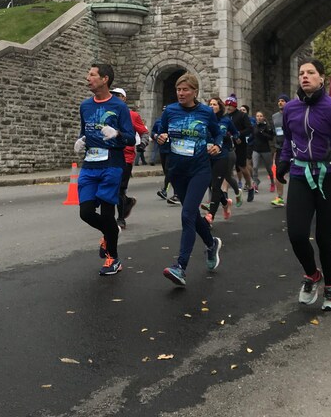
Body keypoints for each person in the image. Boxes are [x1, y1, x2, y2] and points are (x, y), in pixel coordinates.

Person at [278, 60, 331, 311]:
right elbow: (289, 140)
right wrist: (283, 161)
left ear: (322, 79)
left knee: (325, 239)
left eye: (311, 73)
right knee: (296, 234)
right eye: (301, 73)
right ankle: (312, 274)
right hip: (300, 174)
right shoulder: (291, 109)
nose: (305, 77)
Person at [156, 73, 223, 287]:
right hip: (177, 171)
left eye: (185, 90)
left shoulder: (205, 112)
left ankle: (181, 267)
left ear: (195, 91)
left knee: (186, 215)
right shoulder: (170, 111)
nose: (181, 93)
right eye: (178, 90)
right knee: (192, 214)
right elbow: (158, 131)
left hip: (200, 170)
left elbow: (218, 134)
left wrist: (217, 145)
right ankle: (211, 244)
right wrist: (160, 137)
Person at [73, 64, 134, 276]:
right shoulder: (85, 106)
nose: (87, 78)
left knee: (108, 212)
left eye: (92, 75)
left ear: (105, 79)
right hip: (90, 165)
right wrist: (81, 140)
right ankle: (110, 230)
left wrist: (117, 134)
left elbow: (131, 138)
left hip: (112, 165)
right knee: (86, 213)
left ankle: (113, 259)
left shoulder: (119, 107)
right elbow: (84, 131)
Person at [110, 87, 148, 229]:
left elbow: (144, 132)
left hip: (126, 156)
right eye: (112, 95)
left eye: (117, 95)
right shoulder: (108, 114)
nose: (114, 97)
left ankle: (120, 219)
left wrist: (142, 144)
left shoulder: (132, 115)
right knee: (111, 187)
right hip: (110, 155)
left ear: (124, 98)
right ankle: (128, 201)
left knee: (120, 188)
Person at [205, 96, 239, 222]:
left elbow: (236, 133)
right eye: (210, 104)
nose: (212, 106)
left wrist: (233, 137)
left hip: (222, 155)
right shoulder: (205, 120)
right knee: (209, 182)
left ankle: (210, 216)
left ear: (220, 107)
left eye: (214, 104)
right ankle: (225, 203)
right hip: (207, 155)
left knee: (215, 185)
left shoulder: (226, 121)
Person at [224, 96, 253, 203]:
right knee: (227, 169)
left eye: (230, 105)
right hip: (228, 145)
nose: (228, 107)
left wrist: (238, 134)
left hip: (240, 145)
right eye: (226, 105)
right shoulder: (225, 117)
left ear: (235, 106)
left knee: (242, 167)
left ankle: (250, 186)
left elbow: (249, 129)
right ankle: (225, 193)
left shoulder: (242, 115)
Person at [270, 95, 289, 204]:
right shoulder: (274, 116)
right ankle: (279, 197)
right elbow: (274, 130)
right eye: (279, 101)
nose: (280, 103)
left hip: (291, 147)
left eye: (283, 101)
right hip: (279, 147)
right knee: (278, 171)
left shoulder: (291, 114)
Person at [250, 111, 274, 193]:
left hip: (265, 149)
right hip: (256, 149)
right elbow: (252, 136)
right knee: (255, 167)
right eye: (257, 116)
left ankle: (272, 183)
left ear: (263, 117)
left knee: (269, 169)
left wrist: (263, 133)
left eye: (260, 116)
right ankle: (255, 183)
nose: (259, 117)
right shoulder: (254, 126)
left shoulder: (267, 126)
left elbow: (271, 137)